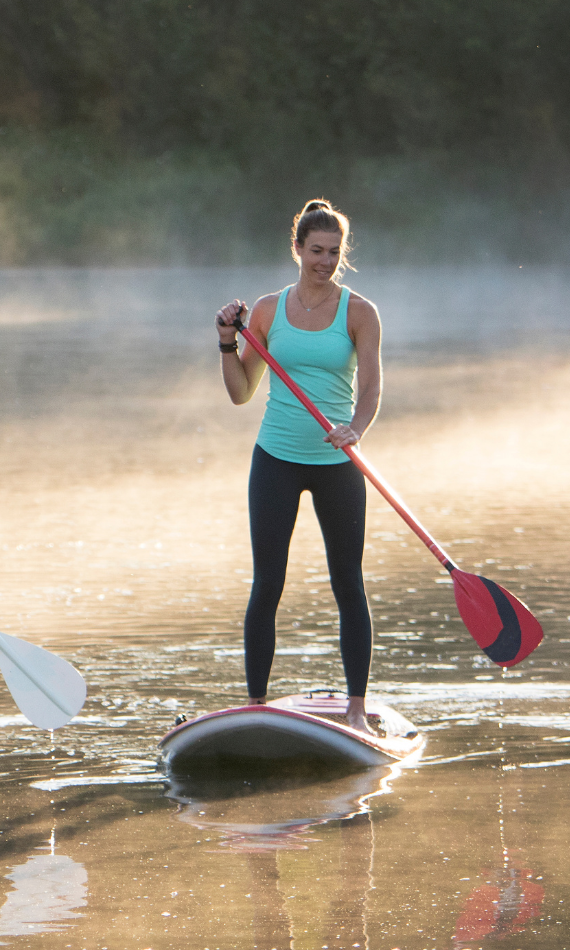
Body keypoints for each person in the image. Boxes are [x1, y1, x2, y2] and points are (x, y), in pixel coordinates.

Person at [212, 200, 383, 734]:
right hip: (276, 461)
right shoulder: (266, 311)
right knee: (268, 585)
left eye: (334, 252)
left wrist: (357, 426)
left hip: (338, 462)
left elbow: (373, 386)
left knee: (347, 584)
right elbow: (241, 393)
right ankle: (257, 705)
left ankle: (356, 706)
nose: (325, 261)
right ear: (297, 249)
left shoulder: (360, 313)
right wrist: (226, 342)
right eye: (316, 251)